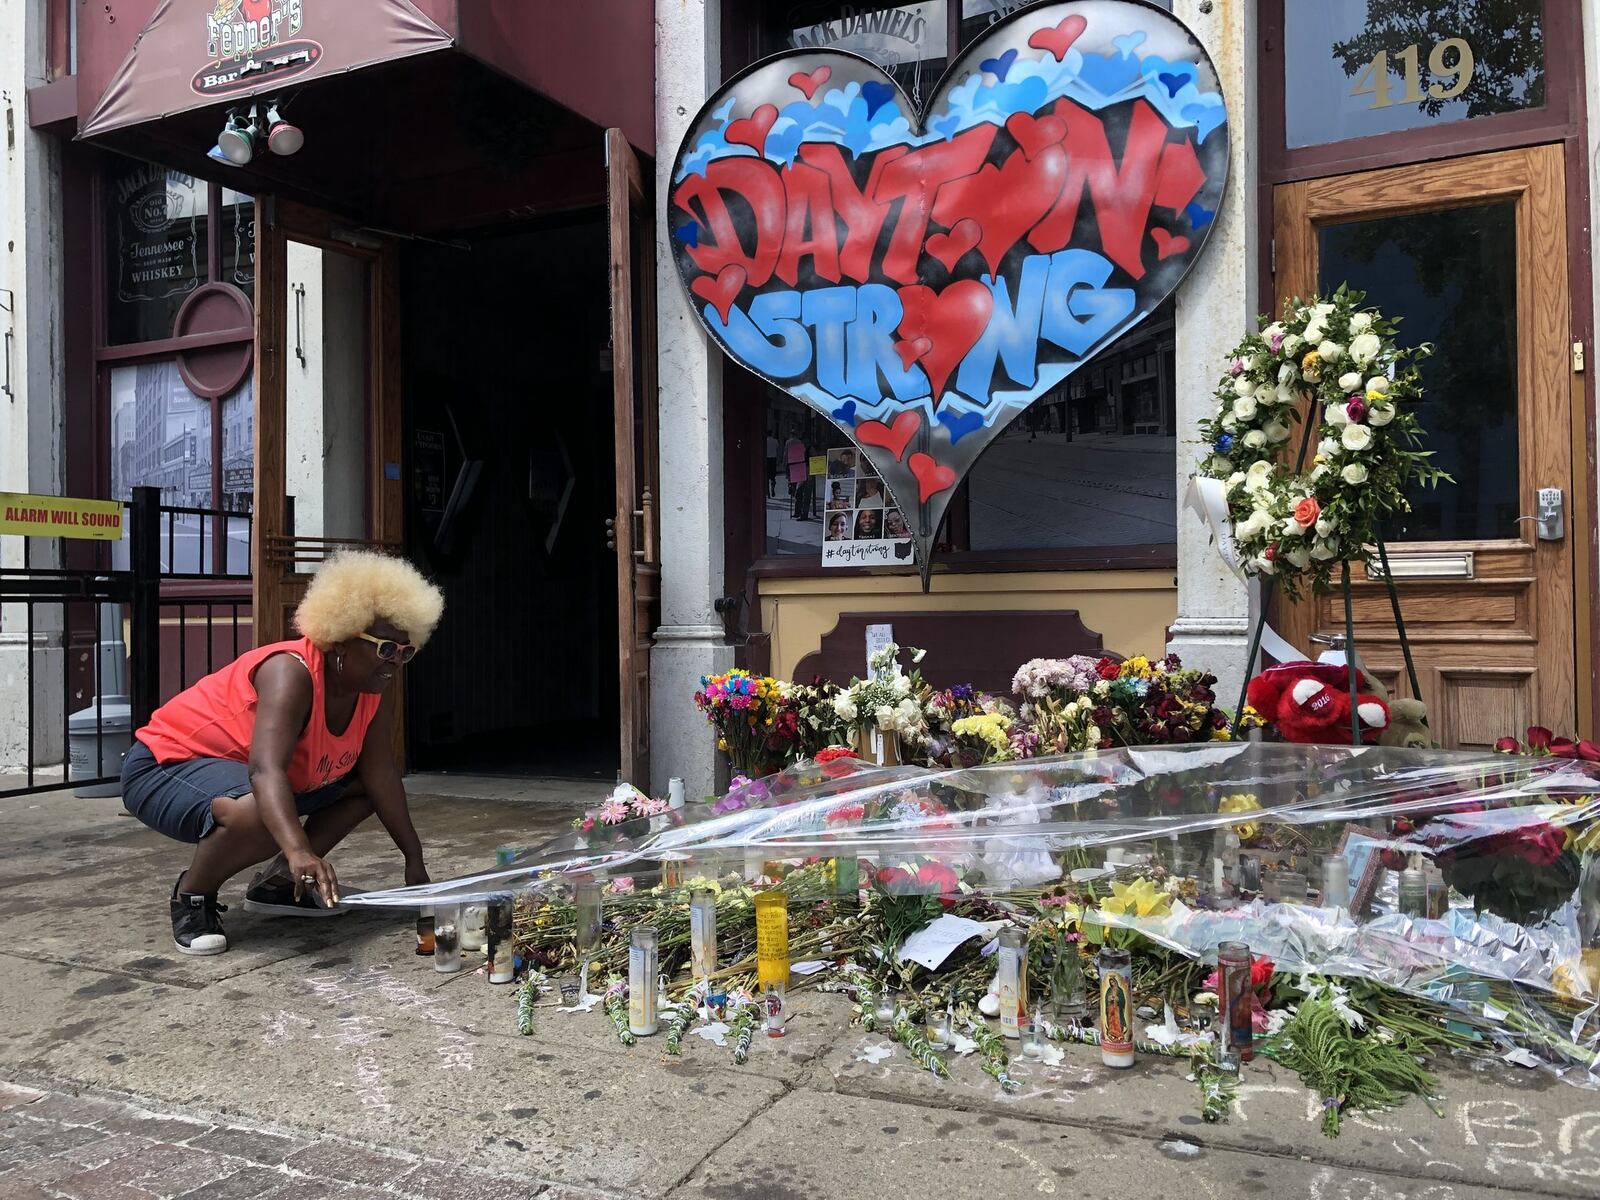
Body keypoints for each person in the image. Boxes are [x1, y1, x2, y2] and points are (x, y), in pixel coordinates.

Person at [121, 551, 444, 956]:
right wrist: (298, 850)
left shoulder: (372, 688)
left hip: (241, 778)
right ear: (342, 638)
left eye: (404, 651)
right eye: (384, 649)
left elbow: (380, 774)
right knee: (261, 811)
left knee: (364, 789)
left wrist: (414, 861)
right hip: (163, 766)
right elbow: (265, 771)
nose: (395, 662)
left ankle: (277, 885)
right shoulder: (290, 672)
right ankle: (193, 896)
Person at [764, 430, 779, 498]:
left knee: (766, 477)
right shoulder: (775, 441)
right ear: (772, 434)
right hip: (773, 459)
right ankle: (772, 487)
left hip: (767, 459)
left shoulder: (765, 441)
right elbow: (777, 449)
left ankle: (768, 493)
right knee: (773, 476)